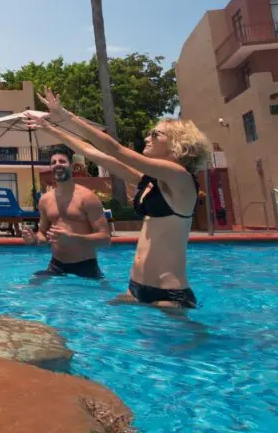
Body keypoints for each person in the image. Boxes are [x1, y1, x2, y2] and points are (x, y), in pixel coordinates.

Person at [25, 89, 212, 308]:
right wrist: (50, 128)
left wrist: (65, 115)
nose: (147, 138)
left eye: (155, 134)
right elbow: (95, 153)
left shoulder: (182, 180)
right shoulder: (150, 182)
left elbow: (115, 149)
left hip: (168, 295)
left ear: (178, 144)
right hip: (134, 289)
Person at [23, 146, 111, 279]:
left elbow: (105, 239)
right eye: (53, 162)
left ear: (71, 165)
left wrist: (72, 238)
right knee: (27, 290)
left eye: (62, 161)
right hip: (56, 265)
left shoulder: (87, 197)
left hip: (85, 266)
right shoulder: (45, 200)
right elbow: (43, 234)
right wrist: (33, 239)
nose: (57, 164)